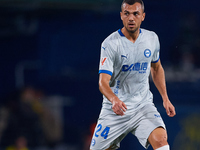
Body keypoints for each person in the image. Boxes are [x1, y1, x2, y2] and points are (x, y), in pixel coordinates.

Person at [90, 0, 176, 150]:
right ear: (121, 16)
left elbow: (156, 68)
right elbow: (103, 83)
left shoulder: (152, 39)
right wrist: (114, 100)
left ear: (143, 16)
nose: (131, 18)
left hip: (143, 106)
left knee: (161, 140)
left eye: (135, 13)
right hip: (115, 109)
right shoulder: (110, 44)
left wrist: (165, 98)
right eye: (127, 13)